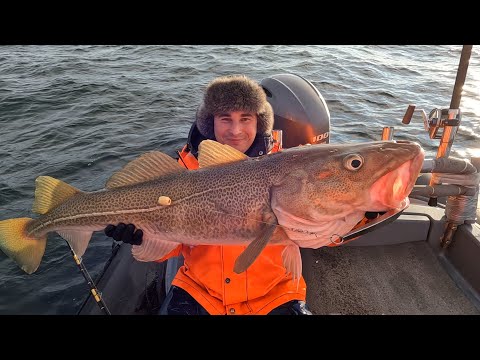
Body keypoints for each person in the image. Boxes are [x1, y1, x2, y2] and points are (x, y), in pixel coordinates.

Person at [105, 74, 318, 315]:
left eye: (245, 118)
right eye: (225, 119)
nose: (236, 130)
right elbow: (176, 244)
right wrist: (143, 237)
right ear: (211, 123)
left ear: (259, 122)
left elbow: (332, 228)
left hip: (275, 293)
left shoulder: (287, 169)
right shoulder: (185, 170)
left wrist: (366, 212)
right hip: (200, 291)